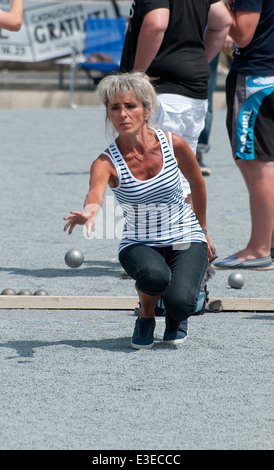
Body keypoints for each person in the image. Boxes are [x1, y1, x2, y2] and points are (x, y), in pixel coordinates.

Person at [64, 72, 214, 349]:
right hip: (140, 241)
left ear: (147, 110)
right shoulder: (105, 161)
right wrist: (90, 211)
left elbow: (197, 185)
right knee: (155, 277)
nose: (122, 114)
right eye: (114, 107)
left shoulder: (174, 144)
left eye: (130, 106)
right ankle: (146, 315)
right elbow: (95, 192)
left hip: (184, 236)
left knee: (182, 302)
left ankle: (176, 314)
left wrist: (203, 232)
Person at [120, 0, 232, 200]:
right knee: (182, 180)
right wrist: (191, 63)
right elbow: (222, 21)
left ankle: (162, 231)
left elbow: (157, 23)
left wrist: (137, 74)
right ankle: (189, 231)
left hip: (162, 92)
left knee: (151, 181)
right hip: (191, 93)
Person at [213, 0, 274, 271]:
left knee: (258, 163)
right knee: (259, 161)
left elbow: (243, 33)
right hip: (263, 74)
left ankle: (258, 248)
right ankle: (268, 242)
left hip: (256, 77)